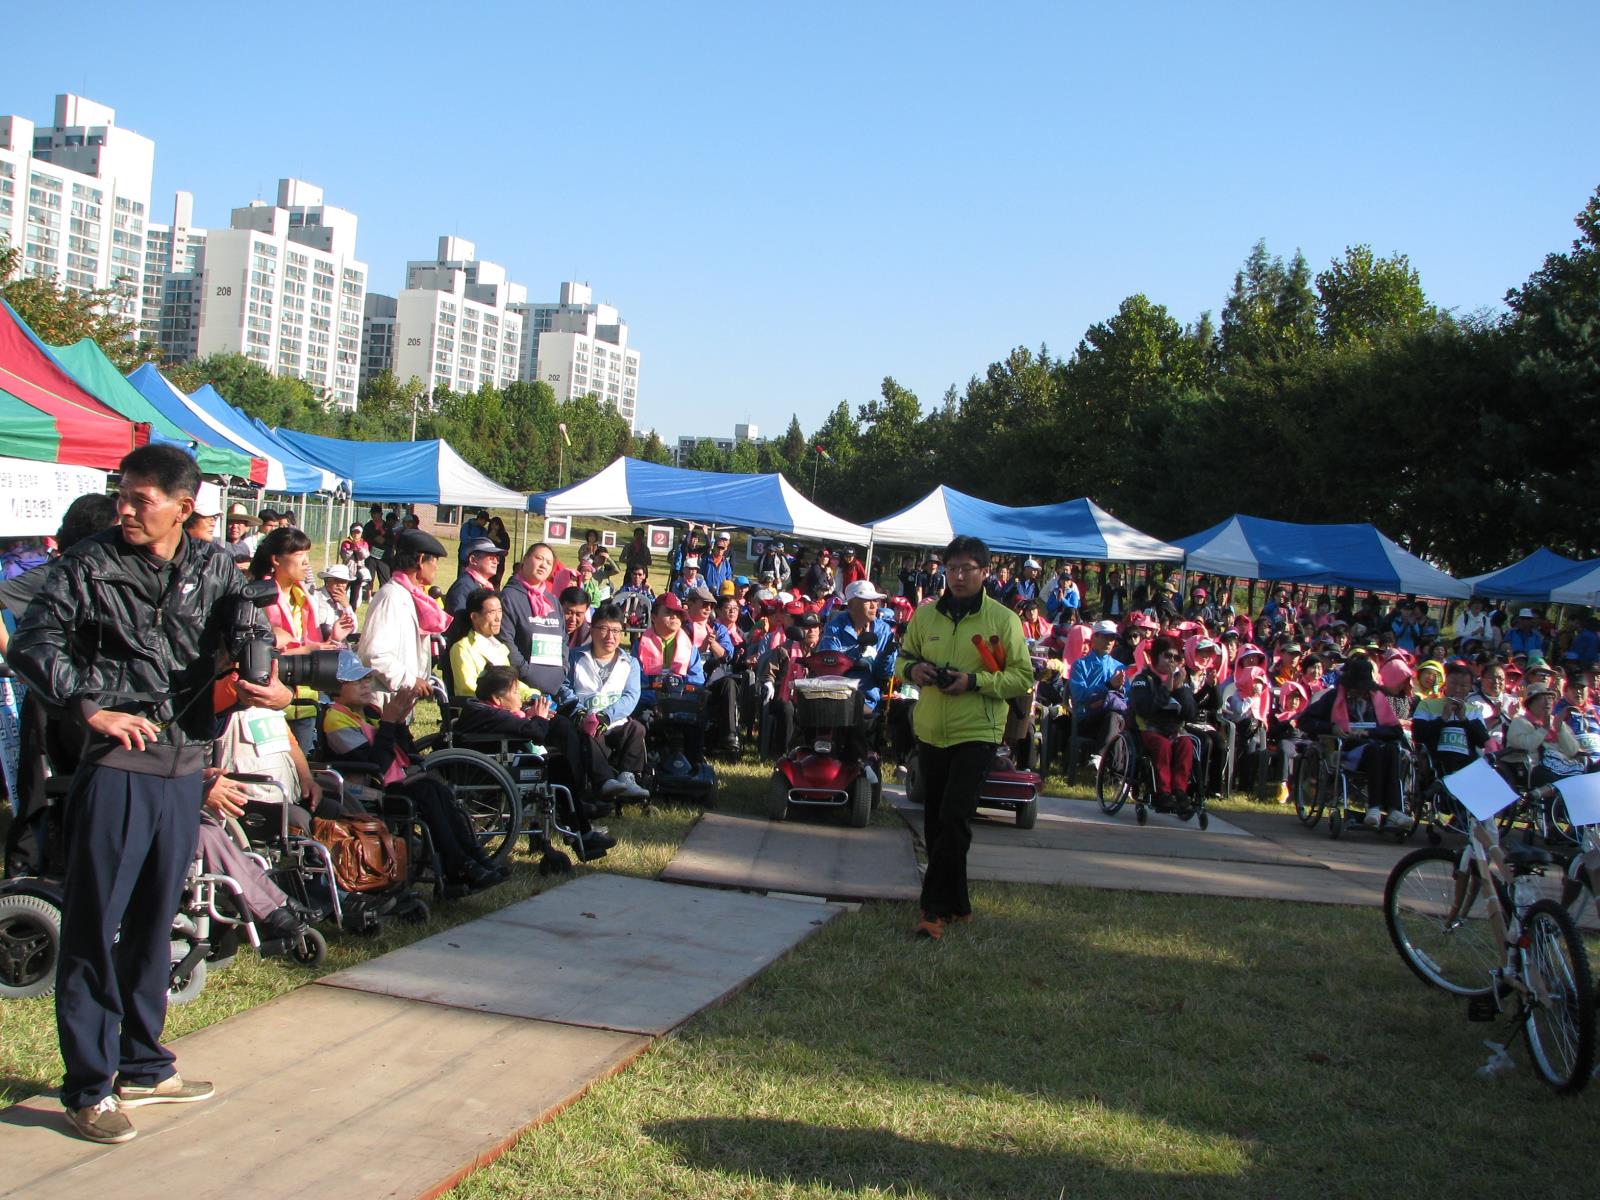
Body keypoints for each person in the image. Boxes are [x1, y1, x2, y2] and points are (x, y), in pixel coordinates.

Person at [8, 443, 287, 1144]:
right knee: (95, 926)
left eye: (141, 499)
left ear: (182, 508)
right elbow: (32, 645)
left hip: (185, 764)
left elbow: (248, 633)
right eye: (122, 495)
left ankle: (141, 1063)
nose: (126, 509)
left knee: (156, 921)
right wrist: (89, 706)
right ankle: (88, 1086)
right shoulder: (89, 563)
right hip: (116, 765)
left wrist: (272, 680)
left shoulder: (213, 565)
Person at [897, 536, 1033, 940]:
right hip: (932, 729)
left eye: (966, 569)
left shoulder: (1003, 620)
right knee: (937, 823)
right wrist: (913, 672)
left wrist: (973, 681)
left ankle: (931, 910)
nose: (957, 576)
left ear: (985, 572)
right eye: (951, 568)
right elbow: (902, 659)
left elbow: (1022, 677)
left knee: (956, 817)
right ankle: (959, 903)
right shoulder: (925, 616)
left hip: (978, 731)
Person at [321, 654, 509, 889]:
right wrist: (389, 723)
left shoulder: (369, 713)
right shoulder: (335, 720)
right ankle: (458, 865)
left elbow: (405, 753)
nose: (366, 683)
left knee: (439, 790)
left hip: (392, 782)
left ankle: (475, 857)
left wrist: (398, 724)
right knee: (427, 792)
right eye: (357, 681)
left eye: (367, 678)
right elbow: (374, 766)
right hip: (366, 792)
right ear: (333, 688)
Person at [452, 666, 618, 857]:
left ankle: (581, 832)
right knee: (559, 766)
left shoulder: (481, 708)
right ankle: (580, 833)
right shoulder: (493, 715)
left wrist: (528, 716)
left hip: (498, 762)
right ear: (497, 699)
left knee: (560, 753)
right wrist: (538, 718)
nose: (519, 696)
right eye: (514, 692)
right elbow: (535, 734)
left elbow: (517, 725)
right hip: (499, 768)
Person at [250, 526, 345, 752]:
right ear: (276, 560)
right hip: (269, 702)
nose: (306, 562)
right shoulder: (256, 597)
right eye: (299, 554)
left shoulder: (303, 596)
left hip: (305, 702)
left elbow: (303, 641)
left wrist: (329, 640)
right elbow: (257, 652)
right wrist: (306, 649)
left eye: (307, 555)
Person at [1296, 656, 1411, 830]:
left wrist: (1369, 732)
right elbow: (1304, 721)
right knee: (1375, 750)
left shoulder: (1377, 699)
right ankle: (1374, 807)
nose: (1361, 692)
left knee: (1391, 749)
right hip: (1345, 750)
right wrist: (1332, 727)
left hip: (1376, 744)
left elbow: (1395, 730)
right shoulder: (1333, 698)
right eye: (1358, 688)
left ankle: (1394, 810)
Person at [557, 603, 650, 796]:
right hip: (585, 720)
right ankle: (604, 781)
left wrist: (607, 715)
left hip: (615, 721)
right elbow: (564, 687)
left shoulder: (630, 662)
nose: (610, 637)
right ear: (592, 629)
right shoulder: (575, 657)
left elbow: (631, 695)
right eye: (604, 629)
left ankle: (627, 777)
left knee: (637, 729)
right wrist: (579, 712)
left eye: (616, 631)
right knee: (589, 730)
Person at [358, 529, 449, 709]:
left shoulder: (409, 595)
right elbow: (374, 654)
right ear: (421, 560)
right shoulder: (391, 597)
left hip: (400, 700)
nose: (437, 567)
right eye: (435, 561)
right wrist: (410, 680)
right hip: (383, 703)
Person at [1128, 635, 1199, 811]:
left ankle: (1180, 791)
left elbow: (1191, 714)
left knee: (1186, 744)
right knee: (1162, 746)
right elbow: (1144, 708)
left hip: (1174, 730)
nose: (1172, 661)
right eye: (1168, 656)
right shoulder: (1142, 679)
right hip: (1147, 728)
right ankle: (1163, 793)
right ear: (1156, 656)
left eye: (1177, 658)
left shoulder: (1181, 680)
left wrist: (1180, 689)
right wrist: (1166, 688)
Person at [498, 543, 567, 700]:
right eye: (539, 558)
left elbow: (563, 640)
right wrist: (525, 671)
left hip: (554, 686)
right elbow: (505, 640)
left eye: (549, 563)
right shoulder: (509, 597)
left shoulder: (553, 601)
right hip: (522, 689)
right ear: (525, 560)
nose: (544, 565)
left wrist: (563, 668)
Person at [1069, 620, 1129, 767]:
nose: (1110, 641)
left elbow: (1127, 699)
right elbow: (1079, 696)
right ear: (1094, 637)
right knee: (1114, 719)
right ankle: (1115, 772)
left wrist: (1121, 689)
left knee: (1115, 718)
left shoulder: (1119, 667)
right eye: (1106, 637)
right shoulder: (1080, 665)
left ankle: (1102, 760)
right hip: (1087, 718)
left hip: (1113, 718)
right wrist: (1108, 686)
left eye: (1113, 638)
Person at [445, 537, 509, 622]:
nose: (495, 562)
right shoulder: (464, 586)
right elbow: (458, 624)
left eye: (497, 558)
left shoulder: (482, 585)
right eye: (491, 558)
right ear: (473, 560)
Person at [310, 564, 359, 644]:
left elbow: (353, 628)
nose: (340, 585)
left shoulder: (343, 601)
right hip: (318, 644)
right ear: (327, 581)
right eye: (336, 580)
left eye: (343, 582)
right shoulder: (315, 597)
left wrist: (346, 606)